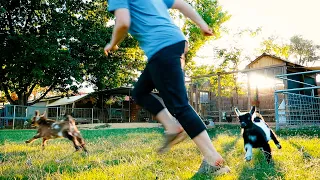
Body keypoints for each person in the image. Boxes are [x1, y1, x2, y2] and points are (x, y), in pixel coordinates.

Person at [105, 0, 230, 175]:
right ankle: (171, 127)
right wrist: (202, 24)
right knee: (140, 92)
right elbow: (182, 4)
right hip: (176, 42)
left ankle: (213, 160)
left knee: (179, 106)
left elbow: (123, 22)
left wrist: (112, 43)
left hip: (161, 48)